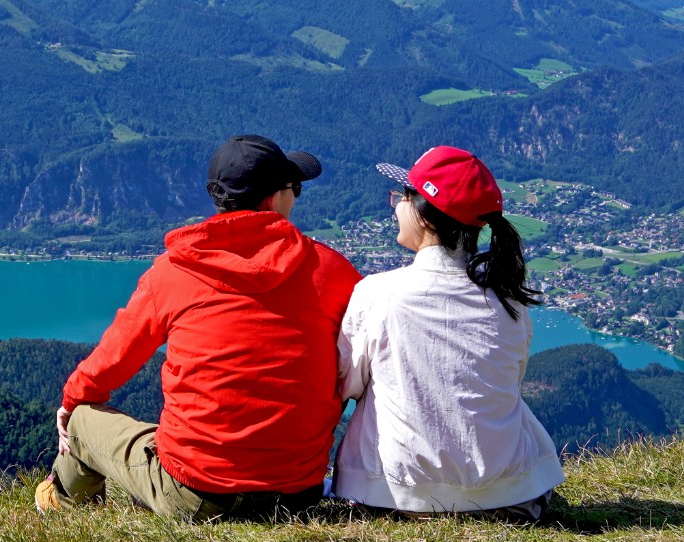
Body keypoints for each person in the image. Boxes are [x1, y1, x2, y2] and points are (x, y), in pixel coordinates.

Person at [37, 134, 362, 522]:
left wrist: (72, 402)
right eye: (295, 189)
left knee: (83, 417)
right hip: (296, 497)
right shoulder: (333, 273)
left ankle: (63, 502)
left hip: (195, 497)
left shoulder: (174, 272)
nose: (295, 197)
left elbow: (113, 360)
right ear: (274, 199)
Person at [333, 146, 564, 521]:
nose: (395, 207)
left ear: (427, 218)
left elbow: (345, 384)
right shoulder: (508, 302)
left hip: (394, 498)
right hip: (510, 498)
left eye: (402, 198)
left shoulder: (379, 294)